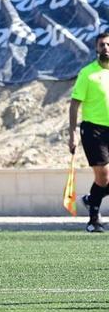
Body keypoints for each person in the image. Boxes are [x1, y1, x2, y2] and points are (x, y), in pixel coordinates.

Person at [69, 31, 109, 233]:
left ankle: (91, 199)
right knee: (103, 177)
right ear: (96, 48)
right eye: (102, 45)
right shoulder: (87, 73)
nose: (106, 48)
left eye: (108, 44)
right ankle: (93, 220)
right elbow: (74, 105)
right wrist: (72, 134)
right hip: (93, 130)